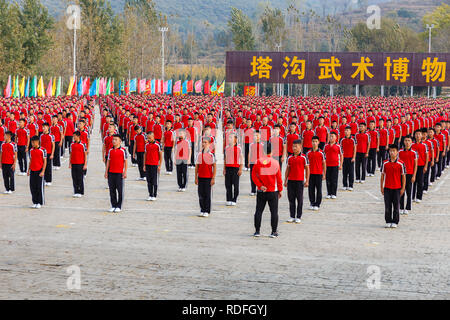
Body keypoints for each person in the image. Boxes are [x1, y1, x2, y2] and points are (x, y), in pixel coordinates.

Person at [252, 143, 283, 238]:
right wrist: (280, 189)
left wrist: (260, 185)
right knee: (274, 212)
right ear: (272, 151)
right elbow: (279, 178)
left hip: (262, 191)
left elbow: (253, 176)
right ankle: (274, 232)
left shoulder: (258, 161)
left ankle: (257, 231)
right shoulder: (275, 162)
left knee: (258, 211)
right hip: (272, 190)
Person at [380, 144, 406, 228]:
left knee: (396, 206)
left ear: (397, 152)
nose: (392, 152)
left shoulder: (401, 163)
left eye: (394, 151)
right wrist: (381, 187)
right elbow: (382, 175)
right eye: (390, 151)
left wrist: (403, 188)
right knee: (387, 206)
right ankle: (388, 221)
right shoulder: (385, 163)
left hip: (397, 188)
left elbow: (403, 176)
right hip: (387, 187)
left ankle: (395, 221)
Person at [284, 139, 309, 224]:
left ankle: (298, 216)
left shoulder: (303, 157)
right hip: (291, 181)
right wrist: (285, 180)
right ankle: (292, 216)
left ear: (300, 147)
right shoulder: (290, 158)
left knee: (299, 199)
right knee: (291, 199)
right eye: (293, 146)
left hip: (299, 181)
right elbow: (288, 169)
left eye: (296, 146)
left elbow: (307, 169)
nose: (294, 148)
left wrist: (307, 180)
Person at [104, 134, 128, 213]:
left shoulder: (123, 150)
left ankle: (118, 206)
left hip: (119, 173)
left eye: (116, 140)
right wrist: (106, 172)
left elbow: (126, 161)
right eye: (113, 139)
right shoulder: (110, 150)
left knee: (120, 190)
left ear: (120, 141)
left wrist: (125, 172)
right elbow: (108, 161)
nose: (114, 141)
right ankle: (113, 205)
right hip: (111, 172)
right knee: (112, 190)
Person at [195, 137, 216, 218]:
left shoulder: (211, 155)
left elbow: (214, 166)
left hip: (208, 177)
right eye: (203, 142)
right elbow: (197, 166)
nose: (204, 144)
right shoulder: (199, 154)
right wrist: (196, 177)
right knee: (200, 194)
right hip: (200, 177)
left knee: (207, 194)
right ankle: (202, 209)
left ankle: (207, 210)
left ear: (209, 144)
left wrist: (213, 178)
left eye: (206, 142)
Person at [398, 135, 417, 215]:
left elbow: (415, 165)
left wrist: (414, 175)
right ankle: (401, 207)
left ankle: (408, 207)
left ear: (411, 142)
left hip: (409, 174)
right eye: (406, 140)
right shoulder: (400, 152)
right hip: (401, 174)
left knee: (409, 191)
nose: (407, 142)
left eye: (409, 140)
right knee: (401, 191)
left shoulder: (414, 152)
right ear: (403, 141)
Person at [306, 136, 326, 211]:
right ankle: (312, 202)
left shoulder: (321, 152)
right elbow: (306, 165)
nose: (314, 143)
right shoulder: (308, 153)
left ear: (318, 142)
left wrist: (324, 174)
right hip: (310, 173)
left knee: (318, 189)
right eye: (313, 141)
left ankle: (317, 204)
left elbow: (324, 163)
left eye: (316, 141)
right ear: (311, 142)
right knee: (311, 189)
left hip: (318, 173)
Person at [224, 133, 243, 206]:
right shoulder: (226, 147)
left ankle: (234, 199)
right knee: (228, 185)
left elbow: (241, 159)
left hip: (235, 168)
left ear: (235, 139)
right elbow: (225, 158)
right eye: (229, 138)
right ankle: (228, 199)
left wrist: (240, 169)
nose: (229, 139)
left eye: (231, 138)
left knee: (236, 185)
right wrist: (224, 169)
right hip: (228, 168)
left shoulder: (238, 148)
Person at [28, 136, 47, 209]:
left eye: (33, 142)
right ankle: (35, 201)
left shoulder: (42, 150)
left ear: (37, 142)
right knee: (32, 187)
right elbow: (31, 160)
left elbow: (45, 161)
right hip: (33, 170)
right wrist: (28, 170)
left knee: (39, 187)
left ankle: (40, 202)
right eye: (31, 142)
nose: (32, 144)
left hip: (39, 170)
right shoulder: (31, 150)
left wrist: (43, 171)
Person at [143, 132, 162, 201]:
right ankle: (150, 194)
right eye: (148, 138)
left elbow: (160, 155)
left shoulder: (158, 144)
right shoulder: (146, 145)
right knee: (149, 181)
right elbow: (145, 155)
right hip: (148, 164)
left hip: (154, 165)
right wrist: (144, 165)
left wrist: (159, 165)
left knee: (154, 181)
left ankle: (154, 194)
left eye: (150, 138)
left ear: (153, 137)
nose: (149, 139)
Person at [411, 130, 428, 203]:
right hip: (412, 166)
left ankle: (419, 197)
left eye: (419, 134)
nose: (418, 136)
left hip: (421, 165)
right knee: (413, 182)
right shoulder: (411, 145)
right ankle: (412, 196)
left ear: (422, 136)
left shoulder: (424, 145)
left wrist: (426, 166)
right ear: (414, 135)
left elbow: (427, 156)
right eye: (416, 134)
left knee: (420, 182)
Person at [324, 132, 343, 199]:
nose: (331, 138)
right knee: (328, 179)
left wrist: (341, 165)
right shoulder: (326, 146)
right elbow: (324, 156)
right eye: (330, 136)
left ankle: (334, 193)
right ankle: (329, 193)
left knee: (334, 179)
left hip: (335, 165)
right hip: (327, 165)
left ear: (336, 138)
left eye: (332, 136)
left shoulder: (338, 146)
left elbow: (341, 155)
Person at [69, 131, 87, 198]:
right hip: (73, 163)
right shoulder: (72, 144)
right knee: (74, 177)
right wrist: (70, 163)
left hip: (80, 163)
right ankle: (76, 191)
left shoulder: (83, 144)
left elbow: (85, 154)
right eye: (73, 136)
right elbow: (71, 154)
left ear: (78, 136)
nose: (74, 138)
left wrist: (85, 164)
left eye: (75, 136)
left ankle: (80, 191)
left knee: (80, 178)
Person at [340, 126, 356, 191]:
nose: (346, 132)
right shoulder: (342, 140)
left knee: (351, 172)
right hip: (344, 158)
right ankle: (345, 185)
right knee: (344, 172)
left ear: (350, 131)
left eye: (348, 130)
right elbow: (340, 150)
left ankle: (350, 185)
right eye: (345, 130)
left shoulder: (353, 139)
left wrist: (354, 157)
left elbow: (355, 148)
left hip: (351, 158)